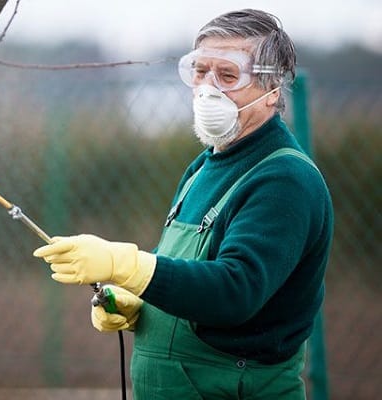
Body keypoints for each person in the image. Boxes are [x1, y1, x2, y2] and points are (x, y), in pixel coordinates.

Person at [33, 9, 334, 400]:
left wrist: (126, 265)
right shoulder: (205, 165)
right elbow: (184, 267)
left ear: (272, 89)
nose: (208, 88)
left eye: (227, 76)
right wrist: (139, 300)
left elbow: (235, 290)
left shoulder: (284, 180)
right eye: (199, 71)